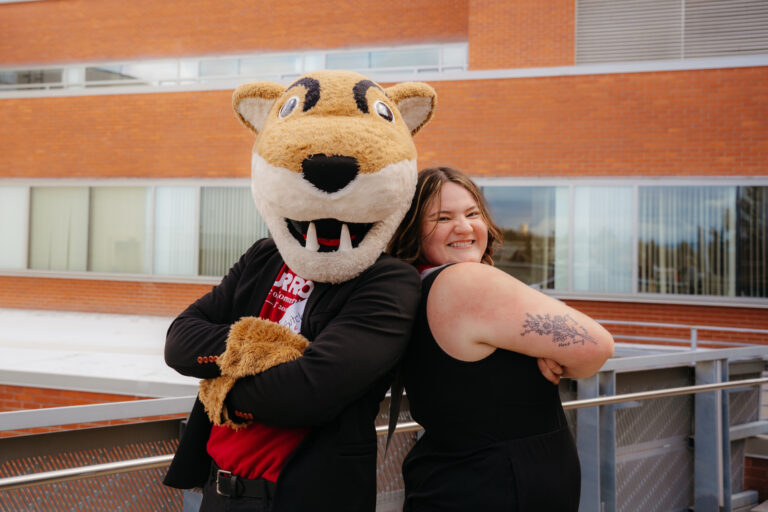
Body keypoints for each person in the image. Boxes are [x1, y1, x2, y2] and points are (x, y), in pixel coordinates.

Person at [387, 167, 615, 511]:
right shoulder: (463, 281)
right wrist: (551, 353)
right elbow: (597, 347)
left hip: (463, 483)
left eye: (472, 213)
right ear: (413, 230)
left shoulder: (414, 288)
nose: (463, 227)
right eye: (442, 218)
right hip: (497, 487)